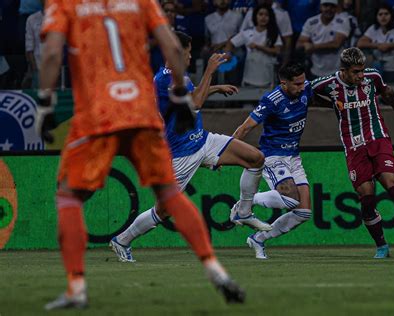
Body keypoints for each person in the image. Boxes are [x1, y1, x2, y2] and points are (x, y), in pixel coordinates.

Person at [37, 0, 244, 310]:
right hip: (140, 113)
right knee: (170, 196)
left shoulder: (64, 4)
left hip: (97, 116)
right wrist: (178, 94)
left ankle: (76, 286)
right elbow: (173, 49)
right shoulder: (141, 3)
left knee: (69, 197)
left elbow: (52, 53)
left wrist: (45, 105)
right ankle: (215, 271)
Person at [110, 32, 271, 263]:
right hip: (182, 153)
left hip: (203, 140)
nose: (190, 56)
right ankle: (122, 240)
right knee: (164, 211)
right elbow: (195, 103)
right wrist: (210, 70)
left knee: (255, 158)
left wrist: (215, 88)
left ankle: (243, 212)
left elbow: (192, 95)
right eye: (188, 51)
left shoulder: (177, 76)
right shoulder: (166, 79)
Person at [311, 47, 394, 259]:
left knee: (393, 186)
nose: (361, 75)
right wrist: (331, 104)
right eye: (356, 72)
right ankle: (381, 246)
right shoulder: (327, 85)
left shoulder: (373, 77)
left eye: (362, 70)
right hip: (353, 147)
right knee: (367, 199)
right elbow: (307, 94)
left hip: (378, 140)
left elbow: (386, 91)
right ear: (343, 70)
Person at [232, 62, 313, 259]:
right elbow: (245, 127)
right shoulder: (272, 100)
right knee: (291, 199)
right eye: (297, 84)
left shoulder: (306, 88)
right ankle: (246, 202)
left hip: (294, 156)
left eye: (303, 82)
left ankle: (258, 239)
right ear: (284, 83)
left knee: (303, 212)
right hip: (273, 154)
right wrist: (224, 151)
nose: (302, 87)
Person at [225, 4, 283, 87]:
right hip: (249, 73)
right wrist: (227, 54)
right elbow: (230, 43)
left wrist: (258, 47)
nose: (263, 17)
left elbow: (277, 50)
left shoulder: (273, 33)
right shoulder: (247, 33)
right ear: (255, 16)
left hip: (267, 73)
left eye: (266, 15)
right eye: (260, 14)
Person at [296, 0, 350, 79]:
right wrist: (305, 45)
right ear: (320, 7)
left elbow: (336, 44)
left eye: (332, 6)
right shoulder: (311, 22)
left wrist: (312, 47)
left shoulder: (343, 21)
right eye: (326, 5)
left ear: (336, 8)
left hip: (337, 72)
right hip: (315, 70)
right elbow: (299, 44)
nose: (329, 9)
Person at [357, 2, 394, 83]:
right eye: (380, 14)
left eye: (386, 14)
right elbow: (360, 43)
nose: (383, 17)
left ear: (391, 15)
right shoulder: (373, 28)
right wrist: (378, 45)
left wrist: (389, 46)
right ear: (376, 17)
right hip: (378, 69)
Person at [24, 0, 44, 88]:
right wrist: (35, 69)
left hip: (59, 69)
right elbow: (29, 49)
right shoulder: (31, 19)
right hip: (38, 68)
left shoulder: (62, 19)